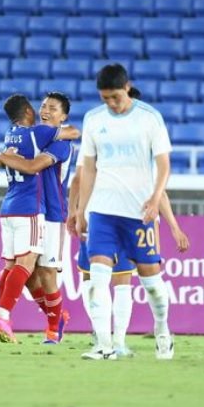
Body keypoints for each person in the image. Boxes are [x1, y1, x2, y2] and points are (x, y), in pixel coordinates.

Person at [74, 64, 174, 361]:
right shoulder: (93, 119)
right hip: (103, 212)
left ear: (127, 87)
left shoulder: (149, 118)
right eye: (105, 99)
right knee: (99, 278)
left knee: (152, 286)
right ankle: (105, 346)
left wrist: (155, 199)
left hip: (139, 213)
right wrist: (82, 210)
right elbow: (89, 167)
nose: (111, 104)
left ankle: (162, 330)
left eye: (115, 97)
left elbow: (164, 164)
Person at [67, 163, 189, 358]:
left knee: (143, 283)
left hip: (132, 220)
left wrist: (174, 227)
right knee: (95, 278)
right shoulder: (97, 136)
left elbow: (158, 190)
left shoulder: (141, 143)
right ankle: (104, 342)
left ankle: (155, 332)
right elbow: (79, 177)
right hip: (99, 218)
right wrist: (76, 212)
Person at [0, 94, 78, 344]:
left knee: (47, 273)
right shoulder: (38, 136)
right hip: (34, 211)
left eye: (53, 108)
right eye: (43, 106)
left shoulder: (60, 144)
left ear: (63, 116)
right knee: (28, 276)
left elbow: (34, 165)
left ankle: (52, 327)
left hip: (52, 214)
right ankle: (56, 316)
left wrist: (4, 156)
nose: (46, 110)